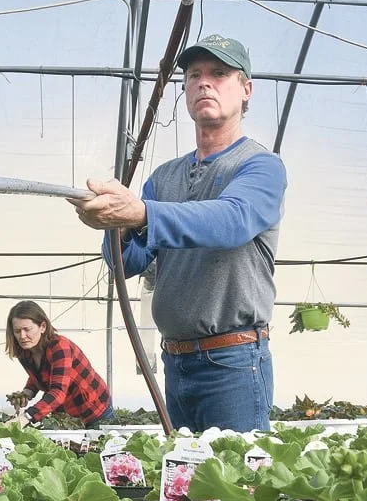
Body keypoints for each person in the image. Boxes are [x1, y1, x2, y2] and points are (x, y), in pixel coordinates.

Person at [67, 33, 287, 433]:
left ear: (246, 90)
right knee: (186, 484)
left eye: (220, 73)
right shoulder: (164, 177)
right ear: (185, 90)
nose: (204, 82)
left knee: (237, 485)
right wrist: (112, 220)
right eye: (194, 75)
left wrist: (141, 212)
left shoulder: (259, 166)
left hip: (233, 362)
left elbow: (231, 221)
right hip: (177, 362)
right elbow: (129, 263)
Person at [5, 300, 114, 428]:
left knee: (101, 445)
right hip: (67, 415)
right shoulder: (24, 352)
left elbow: (58, 392)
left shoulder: (60, 347)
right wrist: (27, 392)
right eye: (17, 331)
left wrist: (26, 417)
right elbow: (40, 374)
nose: (22, 336)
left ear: (43, 327)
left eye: (27, 329)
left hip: (94, 409)